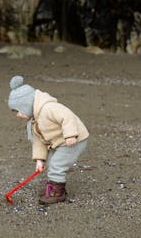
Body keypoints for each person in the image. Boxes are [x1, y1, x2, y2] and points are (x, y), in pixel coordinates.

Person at [8, 75, 89, 204]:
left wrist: (70, 135)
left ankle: (58, 193)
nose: (18, 115)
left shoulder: (48, 108)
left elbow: (67, 116)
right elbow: (39, 141)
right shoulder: (34, 121)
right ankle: (53, 186)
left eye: (19, 110)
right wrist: (40, 160)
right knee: (51, 162)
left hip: (74, 139)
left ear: (27, 104)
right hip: (59, 142)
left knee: (57, 164)